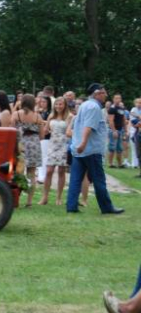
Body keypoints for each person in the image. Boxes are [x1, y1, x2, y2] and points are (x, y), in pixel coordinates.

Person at [65, 83, 123, 215]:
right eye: (104, 92)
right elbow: (88, 127)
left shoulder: (85, 105)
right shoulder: (94, 107)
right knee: (99, 180)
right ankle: (107, 207)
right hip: (90, 150)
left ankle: (71, 206)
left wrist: (80, 144)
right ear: (97, 93)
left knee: (75, 179)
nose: (106, 95)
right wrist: (84, 143)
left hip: (79, 150)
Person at [12, 94, 45, 207]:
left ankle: (16, 199)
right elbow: (42, 135)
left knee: (18, 173)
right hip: (34, 146)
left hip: (20, 146)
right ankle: (29, 202)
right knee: (32, 174)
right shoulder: (38, 116)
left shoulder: (16, 114)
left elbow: (11, 131)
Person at [39, 97, 72, 206]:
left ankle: (59, 197)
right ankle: (45, 197)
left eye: (60, 104)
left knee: (61, 171)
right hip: (52, 144)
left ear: (65, 105)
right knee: (49, 171)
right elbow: (46, 130)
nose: (58, 106)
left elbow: (69, 131)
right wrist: (42, 126)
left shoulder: (69, 116)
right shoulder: (51, 116)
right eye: (56, 104)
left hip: (63, 145)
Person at [107, 93, 126, 168]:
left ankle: (120, 164)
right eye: (116, 98)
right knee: (112, 147)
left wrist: (126, 130)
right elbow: (111, 121)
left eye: (119, 98)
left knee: (119, 148)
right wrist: (114, 131)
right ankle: (111, 164)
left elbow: (123, 120)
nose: (118, 99)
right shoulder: (112, 109)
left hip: (120, 130)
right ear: (113, 99)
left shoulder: (121, 108)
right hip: (114, 130)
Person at [131, 98, 141, 177]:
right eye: (138, 102)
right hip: (138, 133)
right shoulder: (133, 110)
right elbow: (134, 123)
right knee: (138, 153)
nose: (139, 104)